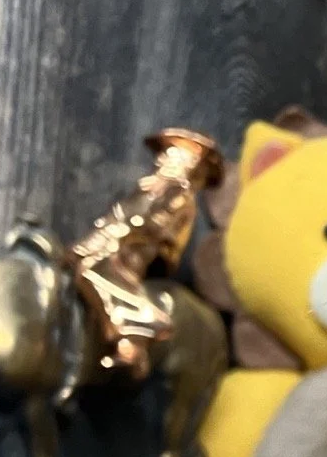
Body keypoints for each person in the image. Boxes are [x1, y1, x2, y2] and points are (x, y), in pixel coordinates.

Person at [69, 128, 224, 378]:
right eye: (166, 155)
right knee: (74, 263)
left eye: (176, 156)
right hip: (111, 240)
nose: (165, 160)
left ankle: (130, 337)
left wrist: (135, 227)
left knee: (92, 273)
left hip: (133, 252)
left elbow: (160, 230)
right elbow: (121, 212)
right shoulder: (150, 186)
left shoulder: (180, 198)